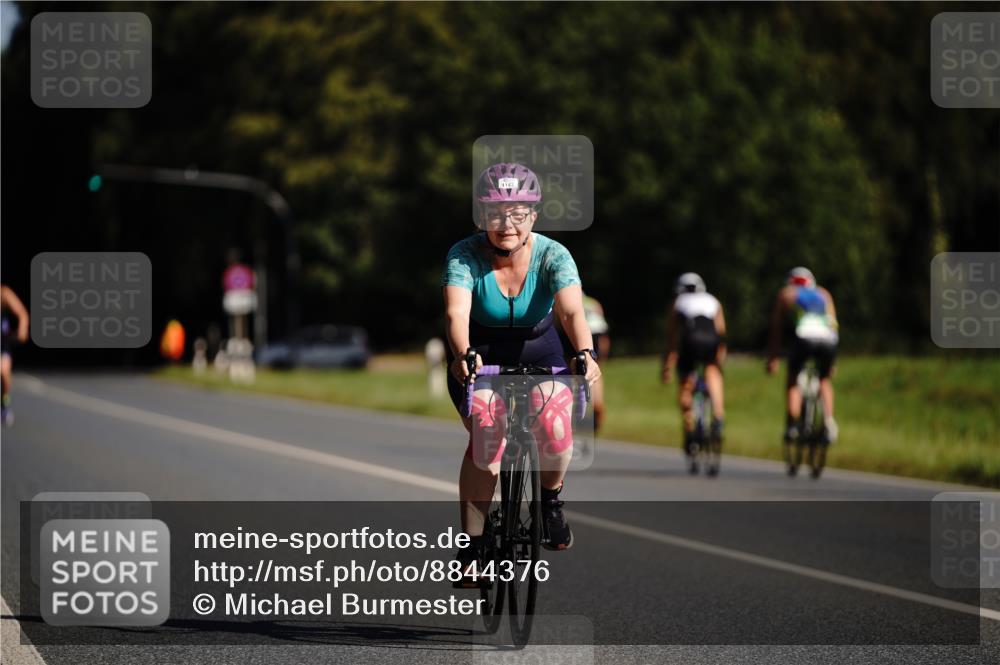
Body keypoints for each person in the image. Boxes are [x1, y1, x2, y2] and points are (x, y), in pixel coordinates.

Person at [442, 163, 601, 581]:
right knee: (487, 440)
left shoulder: (553, 255)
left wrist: (584, 351)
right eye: (495, 213)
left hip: (544, 350)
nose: (505, 224)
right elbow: (456, 312)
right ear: (481, 217)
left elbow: (570, 310)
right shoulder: (464, 254)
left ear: (533, 214)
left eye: (516, 213)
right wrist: (463, 353)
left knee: (553, 423)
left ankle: (550, 502)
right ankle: (473, 544)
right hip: (480, 354)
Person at [766, 266, 839, 443]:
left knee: (793, 379)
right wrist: (833, 362)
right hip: (827, 340)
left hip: (804, 338)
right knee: (824, 379)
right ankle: (829, 421)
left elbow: (776, 328)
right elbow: (834, 325)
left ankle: (792, 426)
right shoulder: (824, 294)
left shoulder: (787, 293)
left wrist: (773, 356)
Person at [661, 273, 726, 458]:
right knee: (712, 372)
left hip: (691, 341)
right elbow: (721, 332)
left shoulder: (678, 301)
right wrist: (718, 361)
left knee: (685, 383)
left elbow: (672, 339)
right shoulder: (713, 300)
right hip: (712, 340)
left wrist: (667, 366)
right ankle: (719, 416)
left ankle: (689, 429)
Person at [558, 292, 609, 433]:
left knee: (570, 369)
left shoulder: (561, 296)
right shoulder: (593, 302)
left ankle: (573, 408)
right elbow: (604, 331)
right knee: (593, 370)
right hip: (596, 332)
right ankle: (597, 402)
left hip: (573, 332)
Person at [1, 285, 30, 426]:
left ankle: (4, 405)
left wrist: (22, 329)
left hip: (2, 343)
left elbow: (22, 313)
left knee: (4, 372)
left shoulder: (4, 293)